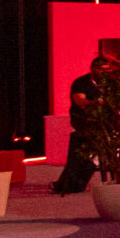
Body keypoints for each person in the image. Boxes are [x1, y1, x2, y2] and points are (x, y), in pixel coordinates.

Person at [51, 55, 110, 194]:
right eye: (101, 70)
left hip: (104, 119)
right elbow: (79, 101)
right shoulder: (81, 82)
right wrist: (97, 103)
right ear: (93, 69)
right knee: (82, 145)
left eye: (107, 70)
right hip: (83, 118)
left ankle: (72, 180)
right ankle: (70, 181)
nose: (104, 73)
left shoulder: (109, 84)